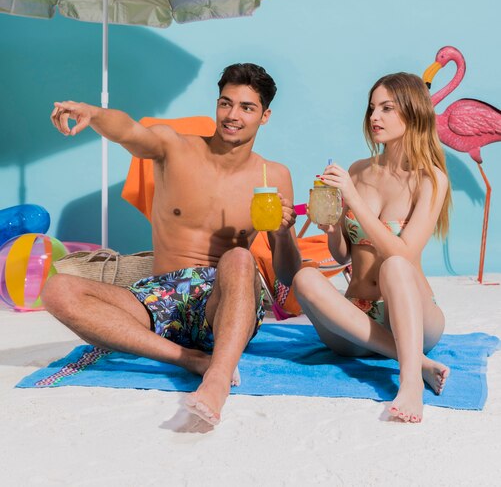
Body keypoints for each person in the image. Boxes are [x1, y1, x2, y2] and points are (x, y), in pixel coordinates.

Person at [42, 63, 301, 426]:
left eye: (247, 107)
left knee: (241, 256)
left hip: (222, 302)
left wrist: (285, 232)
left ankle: (217, 379)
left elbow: (287, 275)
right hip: (159, 297)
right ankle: (190, 359)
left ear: (265, 116)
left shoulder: (273, 176)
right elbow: (128, 130)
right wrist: (94, 113)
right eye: (226, 103)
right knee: (57, 289)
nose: (232, 116)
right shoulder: (173, 147)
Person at [291, 72, 451, 423]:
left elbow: (404, 254)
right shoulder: (358, 170)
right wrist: (333, 227)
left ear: (412, 113)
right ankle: (414, 361)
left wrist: (353, 200)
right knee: (304, 278)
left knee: (394, 265)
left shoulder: (430, 178)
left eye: (387, 108)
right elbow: (344, 256)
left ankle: (410, 382)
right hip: (356, 320)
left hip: (411, 316)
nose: (374, 117)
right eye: (371, 108)